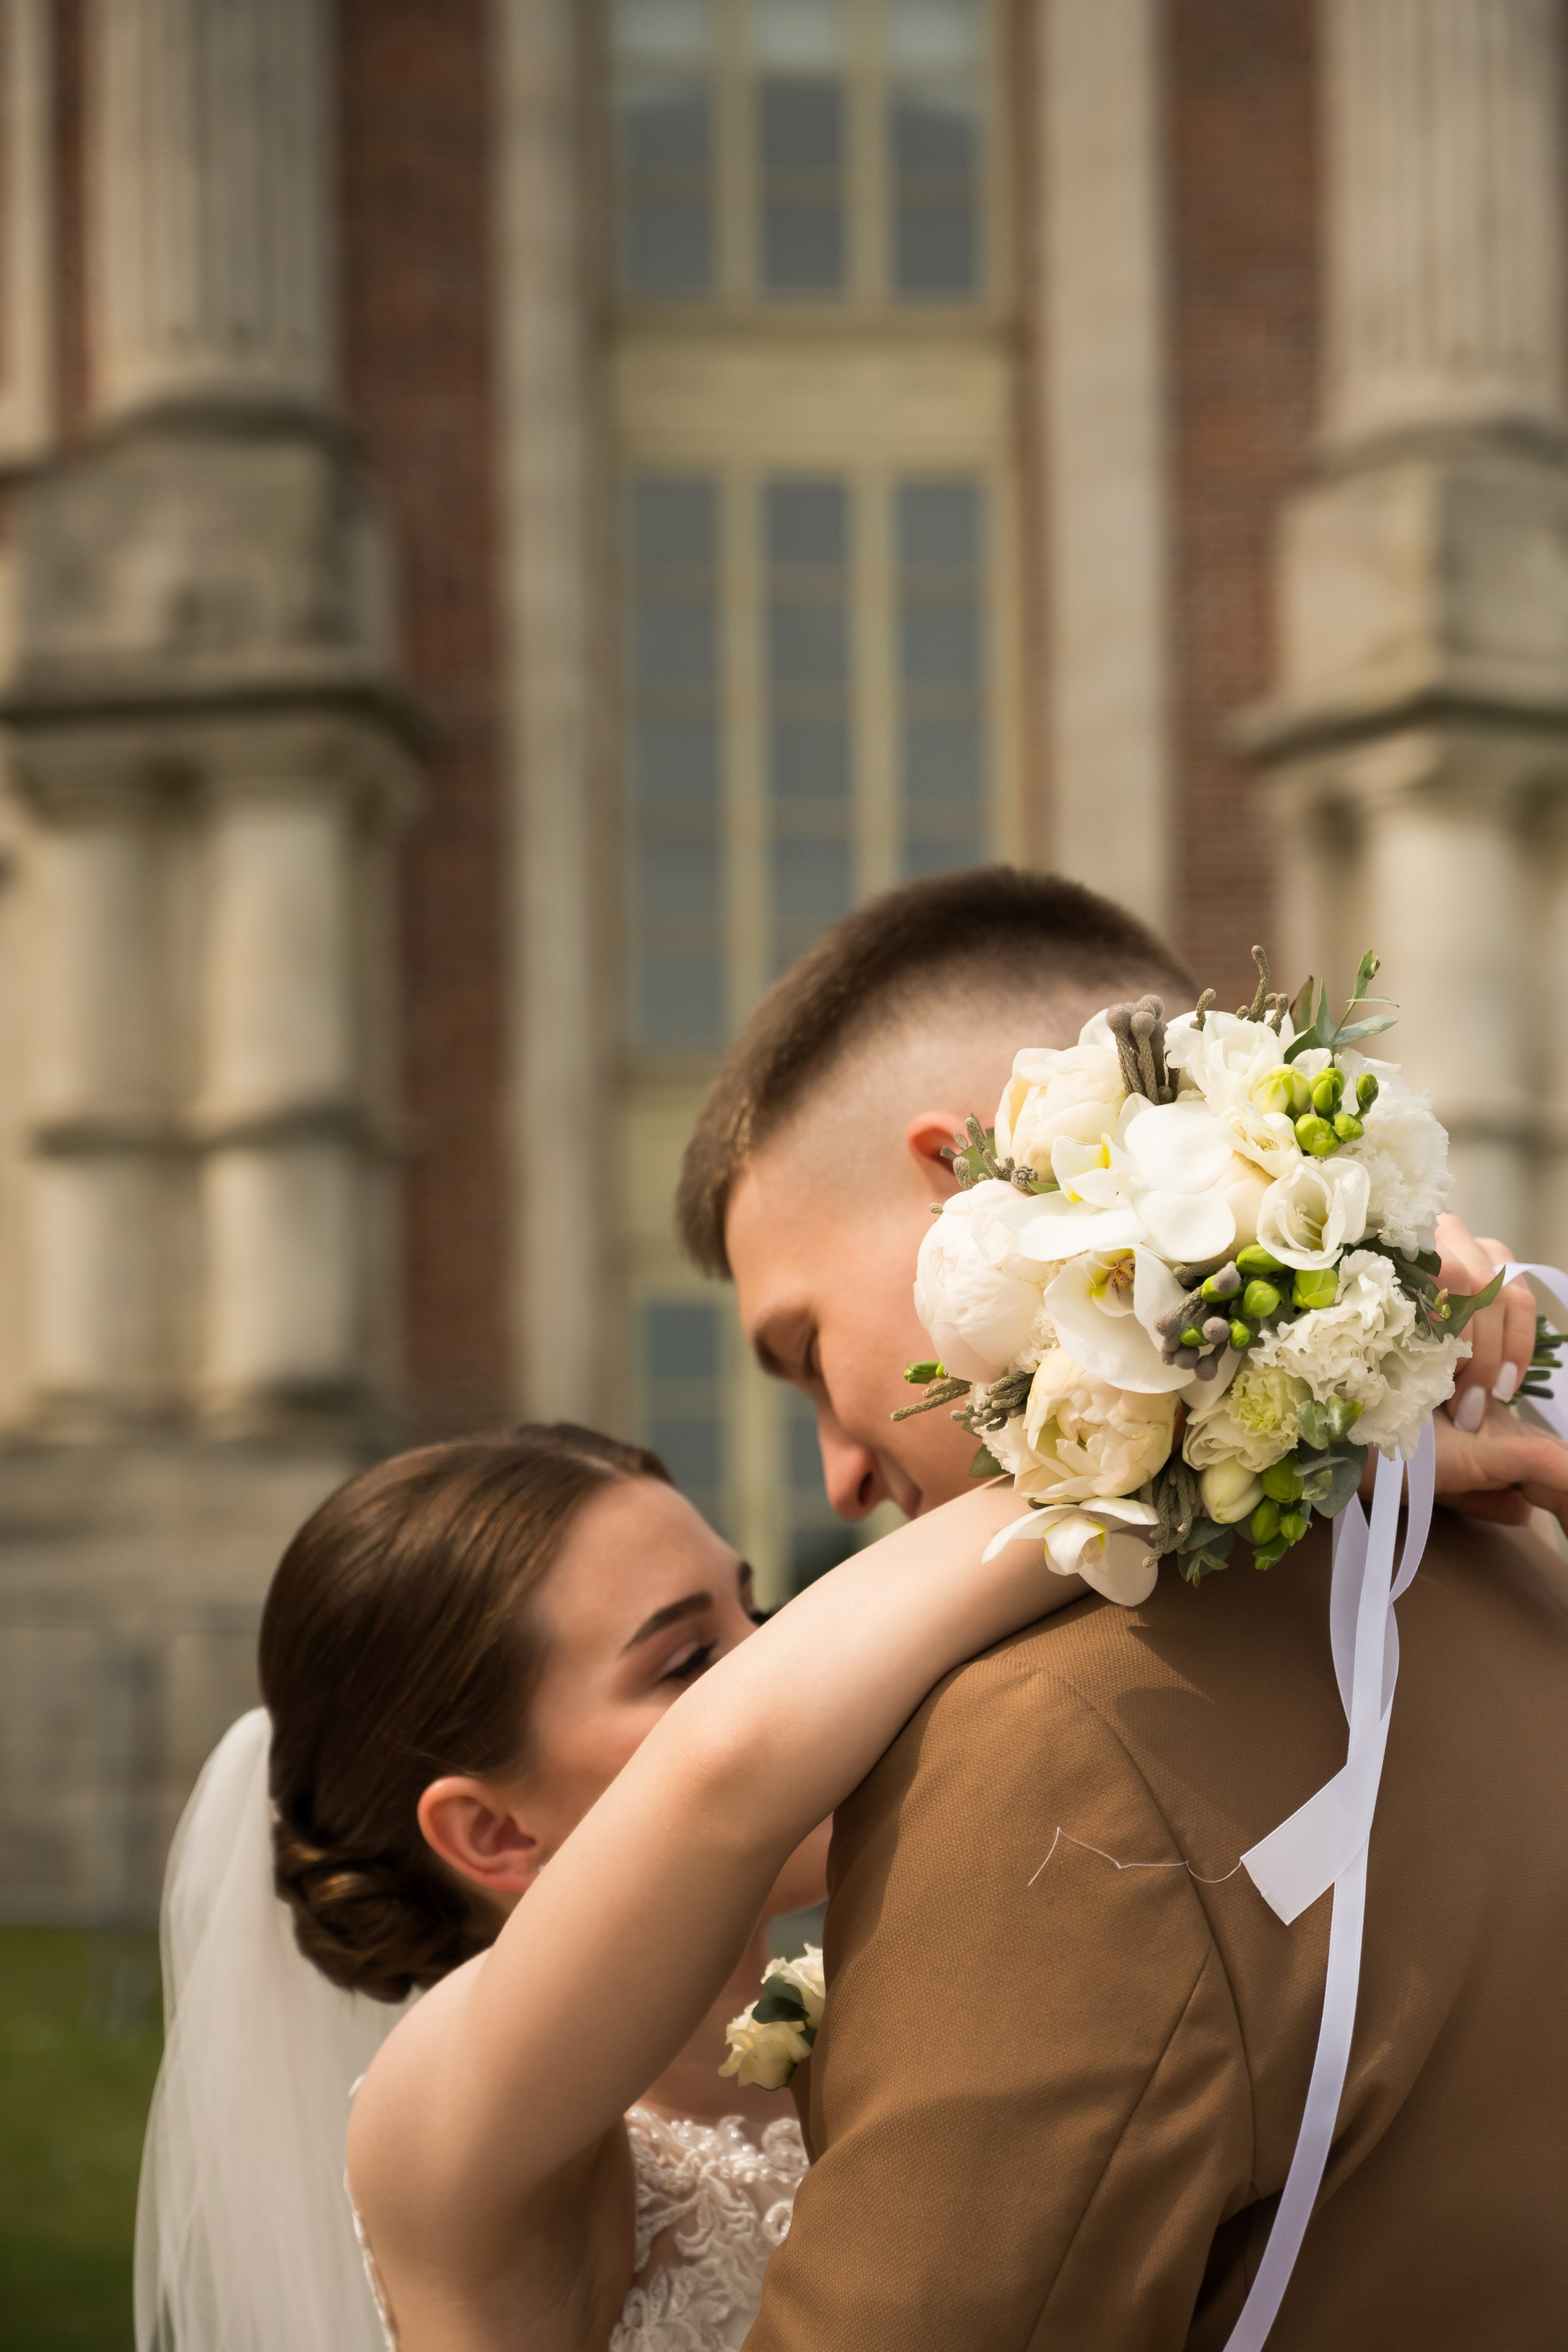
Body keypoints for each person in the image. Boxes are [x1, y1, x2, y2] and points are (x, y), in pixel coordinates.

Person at [673, 865, 1568, 2348]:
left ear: (959, 1187)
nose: (837, 1472)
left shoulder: (1055, 1743)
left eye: (804, 1350)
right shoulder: (1515, 1568)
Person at [135, 1421, 1090, 2352]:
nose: (774, 1663)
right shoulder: (442, 2127)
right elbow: (727, 1771)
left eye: (755, 1613)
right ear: (497, 1833)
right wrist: (1113, 1448)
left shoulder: (887, 2021)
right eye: (688, 1661)